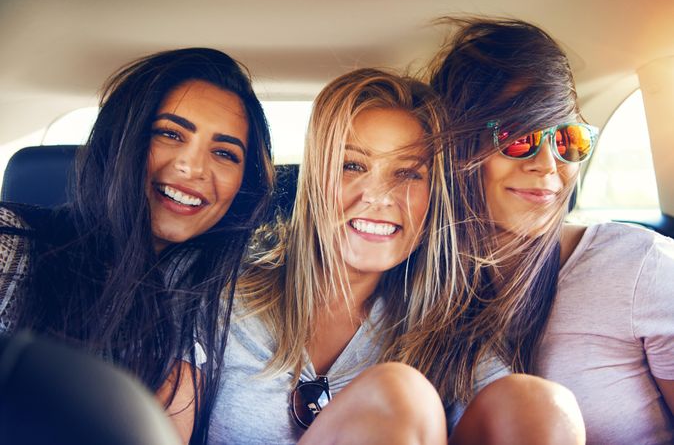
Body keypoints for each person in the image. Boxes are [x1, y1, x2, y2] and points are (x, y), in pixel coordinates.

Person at [208, 68, 585, 445]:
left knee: (539, 405)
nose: (379, 196)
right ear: (315, 179)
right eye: (352, 165)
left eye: (407, 174)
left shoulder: (450, 334)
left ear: (434, 198)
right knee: (398, 393)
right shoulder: (218, 298)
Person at [0, 47, 274, 444]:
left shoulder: (219, 302)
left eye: (223, 153)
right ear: (120, 139)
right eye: (169, 133)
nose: (194, 168)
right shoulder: (12, 247)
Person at [429, 17, 674, 444]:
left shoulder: (640, 266)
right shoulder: (416, 288)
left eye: (568, 140)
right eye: (518, 136)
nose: (547, 164)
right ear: (458, 148)